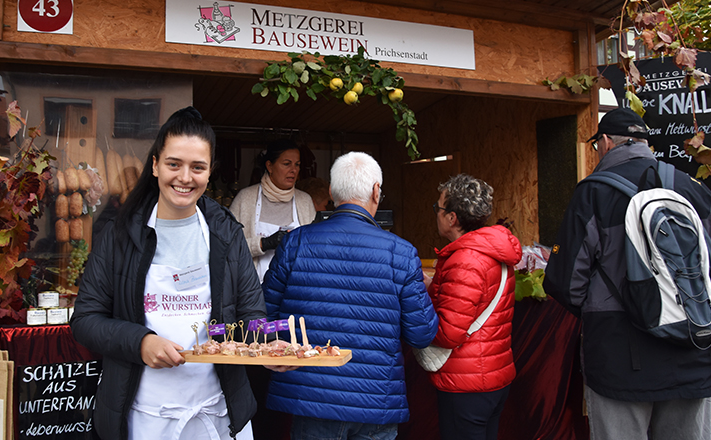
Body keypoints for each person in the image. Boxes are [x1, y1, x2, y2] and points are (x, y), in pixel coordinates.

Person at [71, 107, 267, 440]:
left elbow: (252, 314)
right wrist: (141, 341)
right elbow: (86, 320)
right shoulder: (120, 234)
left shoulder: (226, 234)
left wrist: (265, 346)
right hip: (145, 414)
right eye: (174, 164)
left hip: (218, 412)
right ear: (155, 165)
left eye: (198, 167)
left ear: (209, 172)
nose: (185, 177)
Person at [543, 107, 711, 440]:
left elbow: (565, 283)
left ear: (605, 142)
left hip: (619, 353)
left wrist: (602, 308)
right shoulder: (690, 187)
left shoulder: (592, 193)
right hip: (693, 343)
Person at [262, 151, 439, 440]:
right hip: (376, 400)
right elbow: (421, 335)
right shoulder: (402, 253)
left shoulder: (296, 243)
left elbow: (262, 318)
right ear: (376, 191)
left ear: (331, 193)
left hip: (312, 398)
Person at [423, 174, 521, 440]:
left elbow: (448, 333)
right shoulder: (492, 251)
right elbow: (476, 303)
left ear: (452, 218)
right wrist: (435, 286)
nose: (437, 214)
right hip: (492, 375)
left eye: (439, 208)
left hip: (466, 384)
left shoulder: (464, 259)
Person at [229, 139, 316, 281]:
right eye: (287, 164)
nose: (293, 170)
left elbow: (314, 248)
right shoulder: (246, 198)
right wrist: (263, 243)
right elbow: (229, 248)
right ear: (269, 166)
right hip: (253, 290)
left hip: (294, 289)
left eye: (297, 164)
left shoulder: (304, 201)